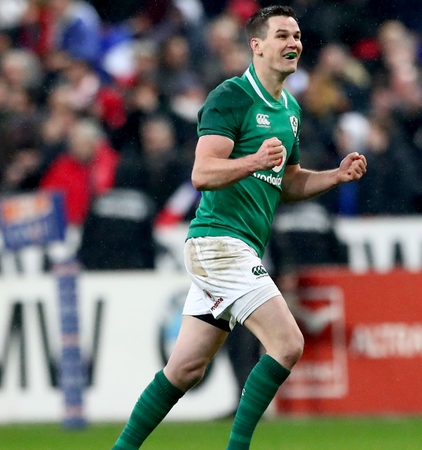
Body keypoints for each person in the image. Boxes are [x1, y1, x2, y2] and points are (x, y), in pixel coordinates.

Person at [111, 6, 367, 450]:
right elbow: (202, 173)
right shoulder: (231, 97)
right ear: (257, 46)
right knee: (287, 344)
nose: (294, 43)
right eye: (283, 35)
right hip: (218, 243)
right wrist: (252, 161)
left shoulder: (289, 109)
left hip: (239, 246)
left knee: (185, 369)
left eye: (298, 35)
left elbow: (286, 181)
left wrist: (334, 177)